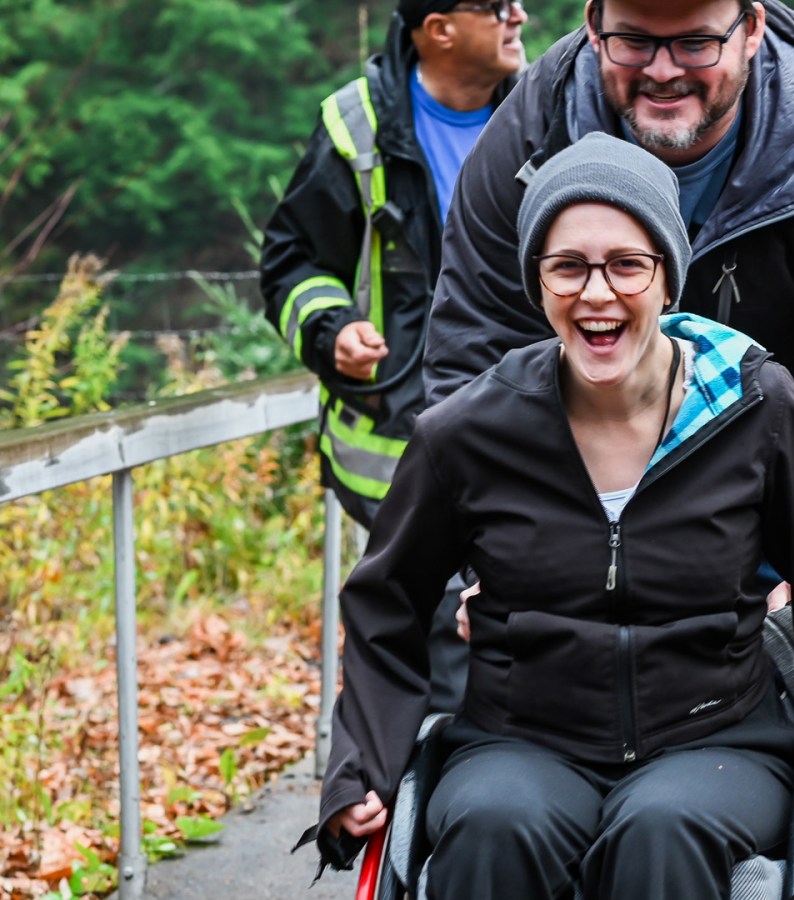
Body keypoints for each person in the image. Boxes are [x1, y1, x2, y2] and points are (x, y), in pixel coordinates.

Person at [305, 133, 794, 898]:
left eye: (626, 265)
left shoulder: (752, 408)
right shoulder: (470, 431)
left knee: (661, 829)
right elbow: (389, 604)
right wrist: (360, 768)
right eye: (568, 266)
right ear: (538, 283)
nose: (597, 292)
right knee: (492, 825)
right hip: (521, 738)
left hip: (718, 738)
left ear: (667, 278)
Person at [424, 0, 794, 555]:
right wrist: (493, 549)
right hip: (576, 516)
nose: (663, 71)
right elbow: (473, 354)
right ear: (593, 28)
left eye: (696, 43)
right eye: (634, 40)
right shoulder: (527, 141)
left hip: (790, 504)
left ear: (751, 30)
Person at [259, 0, 526, 709]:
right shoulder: (357, 124)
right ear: (438, 29)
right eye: (498, 6)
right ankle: (435, 798)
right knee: (439, 642)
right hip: (400, 441)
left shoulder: (545, 112)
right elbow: (292, 263)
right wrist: (333, 330)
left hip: (531, 432)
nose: (521, 16)